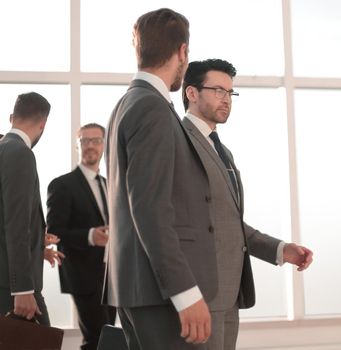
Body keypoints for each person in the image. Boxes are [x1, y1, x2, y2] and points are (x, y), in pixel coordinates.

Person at [181, 59, 314, 349]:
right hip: (199, 293)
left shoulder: (222, 150)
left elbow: (224, 220)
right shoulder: (179, 141)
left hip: (229, 293)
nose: (226, 99)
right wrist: (184, 294)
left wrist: (280, 249)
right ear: (191, 93)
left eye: (230, 93)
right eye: (218, 90)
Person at [105, 8, 217, 349]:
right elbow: (150, 208)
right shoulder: (151, 106)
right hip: (159, 295)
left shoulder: (128, 103)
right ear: (182, 51)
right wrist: (184, 292)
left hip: (139, 287)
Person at [46, 123, 116, 350]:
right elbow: (54, 232)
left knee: (108, 339)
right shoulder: (62, 185)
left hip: (112, 276)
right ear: (77, 146)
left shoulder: (109, 184)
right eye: (84, 141)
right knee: (95, 340)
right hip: (83, 275)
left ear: (104, 145)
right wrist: (89, 236)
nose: (90, 146)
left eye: (96, 140)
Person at [0, 92, 52, 325]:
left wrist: (39, 243)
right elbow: (16, 224)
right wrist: (22, 289)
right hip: (12, 287)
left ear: (12, 117)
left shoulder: (3, 148)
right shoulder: (20, 154)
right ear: (43, 124)